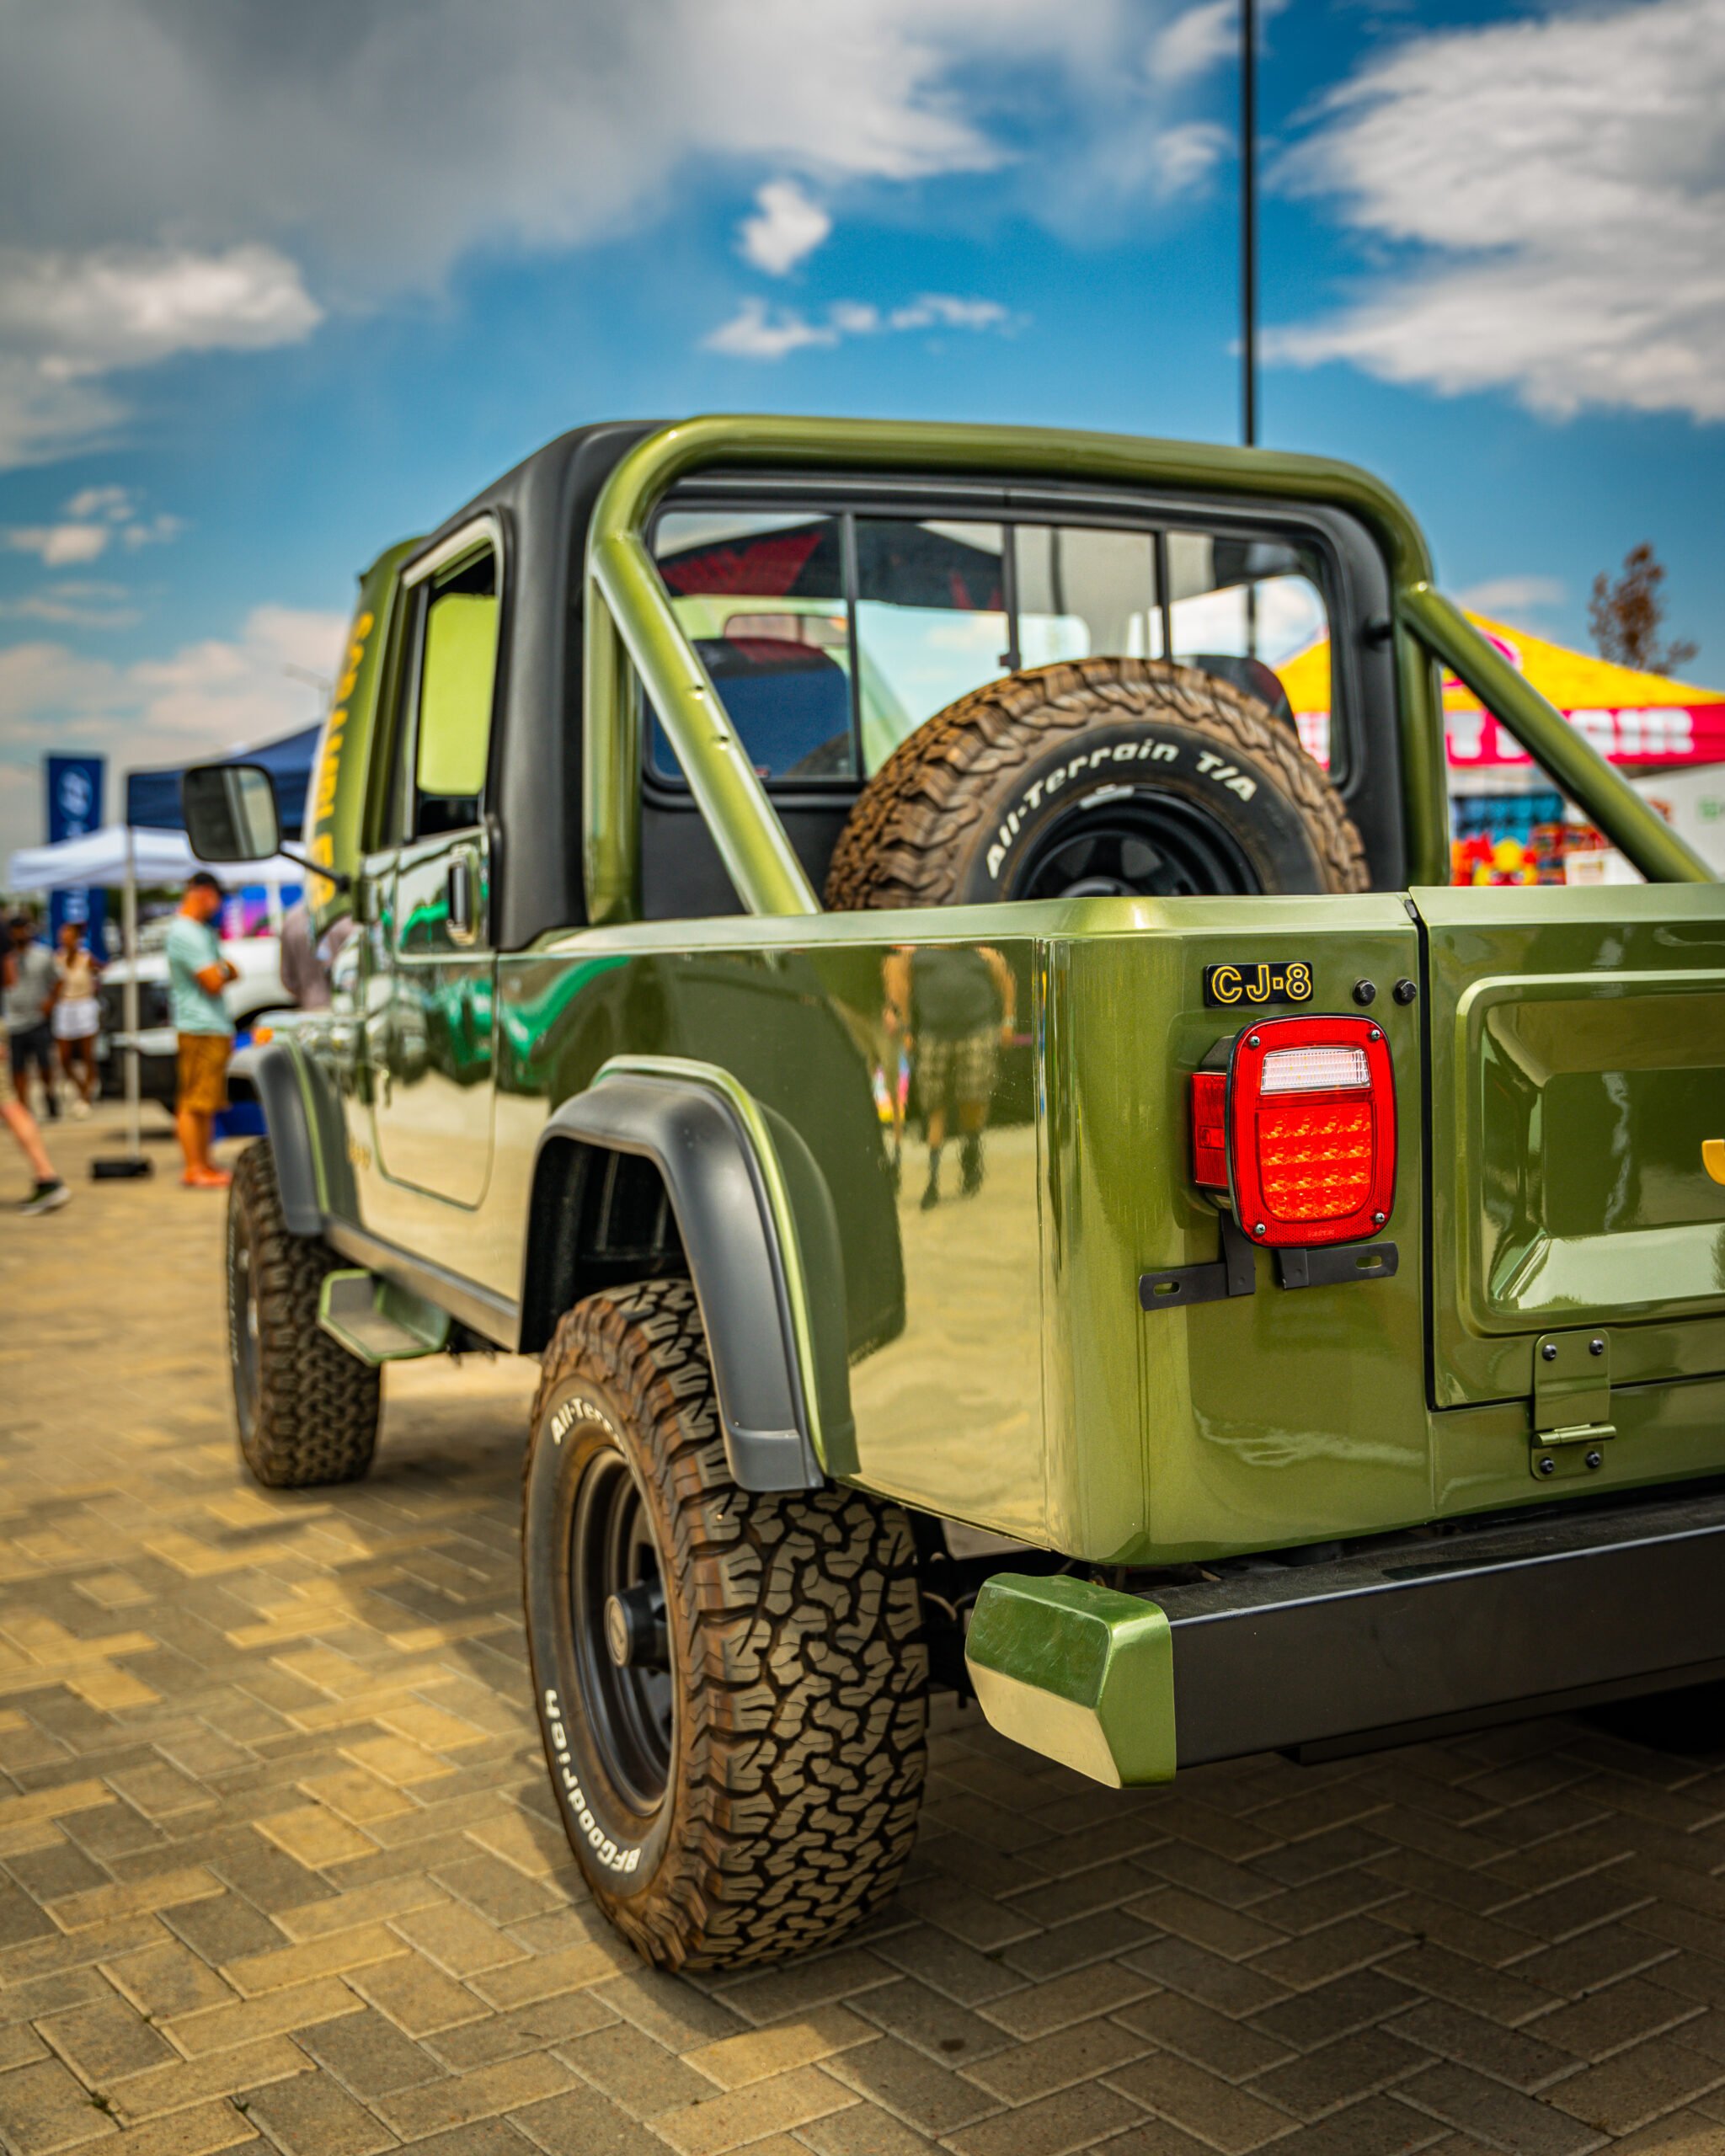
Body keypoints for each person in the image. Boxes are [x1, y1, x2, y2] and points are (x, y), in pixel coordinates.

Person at [883, 942, 1016, 1210]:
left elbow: (1006, 980)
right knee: (935, 1106)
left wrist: (1008, 1021)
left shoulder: (982, 952)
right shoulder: (917, 954)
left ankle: (971, 1152)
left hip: (977, 1033)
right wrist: (906, 1027)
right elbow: (899, 983)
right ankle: (933, 1180)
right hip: (933, 1036)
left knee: (973, 1100)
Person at [165, 872, 237, 1189]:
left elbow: (224, 972)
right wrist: (224, 970)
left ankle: (203, 1164)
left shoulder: (198, 931)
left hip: (208, 1026)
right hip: (199, 1027)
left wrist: (223, 971)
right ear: (205, 893)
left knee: (205, 1101)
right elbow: (214, 980)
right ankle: (194, 1168)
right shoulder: (186, 932)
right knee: (194, 1100)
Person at [0, 917, 67, 1213]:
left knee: (12, 1100)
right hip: (10, 1023)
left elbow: (12, 978)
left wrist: (48, 1003)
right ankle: (46, 1178)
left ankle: (47, 1177)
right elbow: (9, 978)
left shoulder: (42, 955)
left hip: (32, 1022)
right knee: (12, 1097)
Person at [4, 913, 59, 1121]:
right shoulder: (7, 958)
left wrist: (50, 1003)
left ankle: (49, 1095)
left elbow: (58, 981)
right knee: (17, 1068)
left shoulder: (43, 955)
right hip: (14, 1021)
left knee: (44, 1064)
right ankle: (24, 1107)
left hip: (37, 1019)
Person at [51, 919, 101, 1117]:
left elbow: (101, 971)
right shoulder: (58, 959)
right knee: (64, 1057)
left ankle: (86, 1096)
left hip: (84, 1005)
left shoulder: (86, 958)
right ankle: (82, 1088)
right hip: (65, 1006)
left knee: (88, 1054)